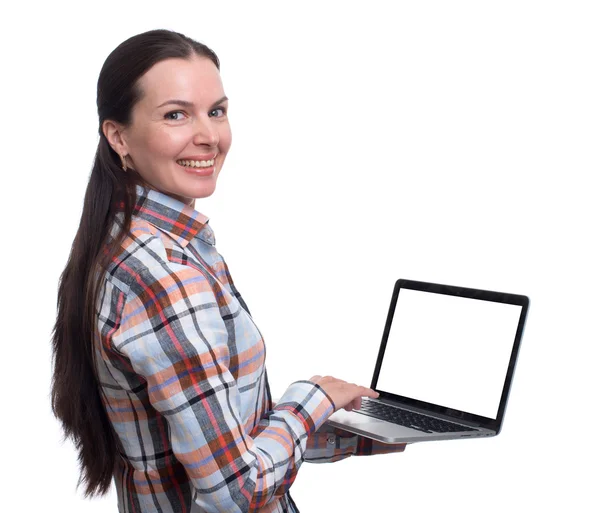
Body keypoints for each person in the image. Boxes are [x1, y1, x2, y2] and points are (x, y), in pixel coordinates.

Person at [51, 29, 407, 513]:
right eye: (176, 114)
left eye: (216, 111)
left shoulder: (130, 244)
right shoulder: (164, 274)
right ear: (118, 136)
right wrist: (313, 397)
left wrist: (360, 434)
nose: (209, 136)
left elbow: (217, 444)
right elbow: (237, 491)